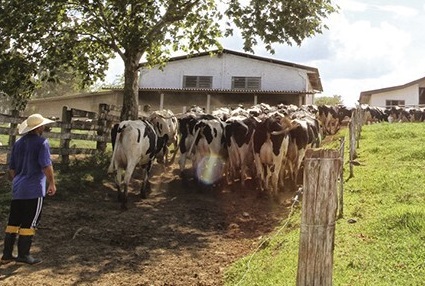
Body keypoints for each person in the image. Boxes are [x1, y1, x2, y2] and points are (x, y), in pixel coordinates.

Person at [1, 113, 57, 265]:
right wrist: (51, 183)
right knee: (30, 222)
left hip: (18, 188)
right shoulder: (42, 142)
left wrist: (19, 180)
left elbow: (11, 170)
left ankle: (6, 254)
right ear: (39, 127)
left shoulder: (18, 143)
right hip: (34, 189)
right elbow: (46, 165)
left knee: (13, 221)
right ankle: (23, 255)